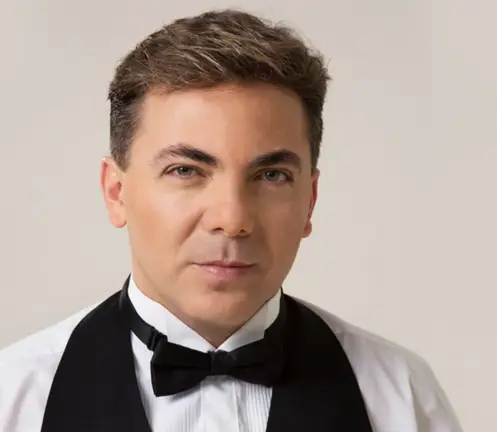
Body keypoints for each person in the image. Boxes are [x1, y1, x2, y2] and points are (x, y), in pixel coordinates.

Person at [0, 8, 463, 432]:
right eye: (186, 171)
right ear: (116, 192)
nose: (233, 219)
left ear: (310, 200)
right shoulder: (15, 399)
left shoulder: (400, 397)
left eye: (272, 175)